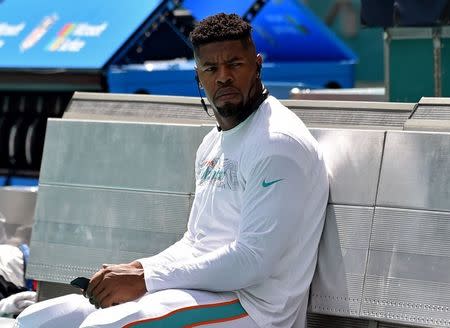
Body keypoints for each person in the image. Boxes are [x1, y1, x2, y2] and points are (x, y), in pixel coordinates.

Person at [15, 13, 328, 328]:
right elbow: (196, 242)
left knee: (105, 326)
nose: (223, 77)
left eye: (235, 64)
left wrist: (147, 278)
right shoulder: (212, 143)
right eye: (211, 68)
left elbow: (253, 261)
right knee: (40, 319)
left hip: (257, 308)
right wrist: (137, 269)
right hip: (204, 291)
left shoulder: (277, 143)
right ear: (198, 76)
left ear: (257, 65)